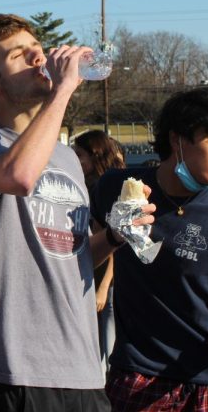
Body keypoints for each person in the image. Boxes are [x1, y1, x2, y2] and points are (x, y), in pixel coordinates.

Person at [0, 13, 154, 411]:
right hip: (15, 371)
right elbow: (19, 177)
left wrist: (114, 235)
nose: (37, 57)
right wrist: (63, 91)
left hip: (82, 368)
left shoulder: (66, 157)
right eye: (19, 55)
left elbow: (71, 256)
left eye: (37, 49)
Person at [91, 88, 208, 411]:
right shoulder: (116, 189)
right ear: (177, 141)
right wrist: (115, 235)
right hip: (137, 378)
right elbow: (77, 259)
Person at [72, 130, 124, 374]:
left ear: (95, 155)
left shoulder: (109, 188)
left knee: (108, 345)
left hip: (110, 281)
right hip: (90, 274)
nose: (75, 159)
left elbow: (115, 243)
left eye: (79, 154)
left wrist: (104, 288)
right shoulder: (84, 186)